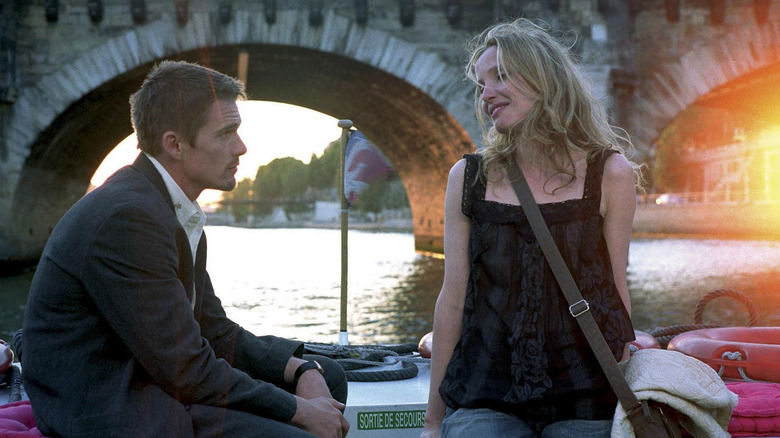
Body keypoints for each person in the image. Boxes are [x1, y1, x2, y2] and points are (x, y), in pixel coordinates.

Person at [22, 60, 350, 438]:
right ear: (174, 144)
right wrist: (296, 410)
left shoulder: (168, 209)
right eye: (226, 133)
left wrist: (299, 367)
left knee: (329, 378)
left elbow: (212, 330)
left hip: (153, 382)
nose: (241, 147)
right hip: (112, 406)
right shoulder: (128, 218)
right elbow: (186, 368)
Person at [420, 18, 642, 438]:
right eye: (481, 84)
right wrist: (433, 422)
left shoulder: (610, 173)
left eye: (500, 76)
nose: (486, 94)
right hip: (487, 393)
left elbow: (616, 291)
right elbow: (452, 300)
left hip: (585, 393)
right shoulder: (469, 178)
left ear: (544, 78)